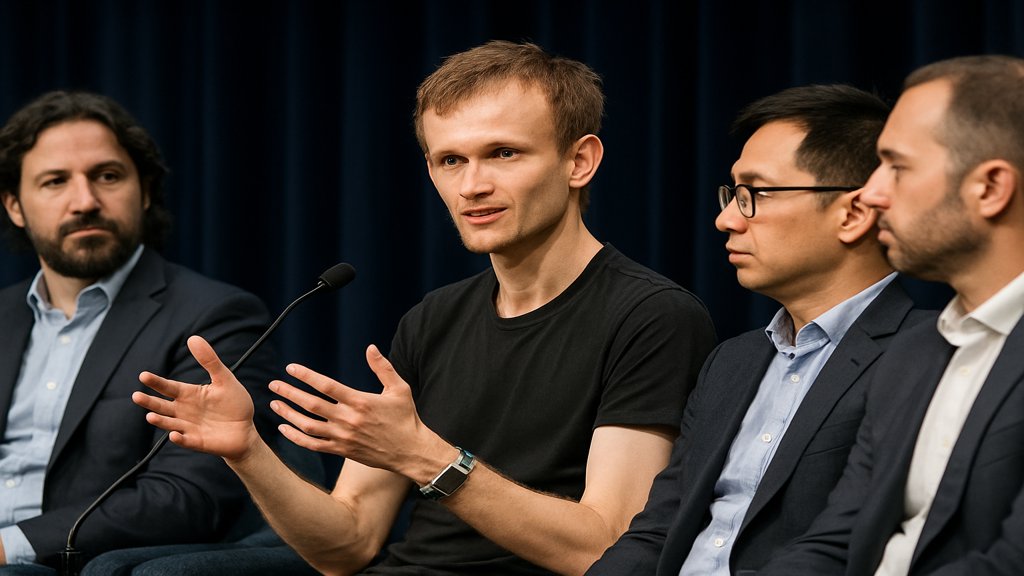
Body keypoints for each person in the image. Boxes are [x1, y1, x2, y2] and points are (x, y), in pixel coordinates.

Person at [132, 40, 717, 576]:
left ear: (579, 161)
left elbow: (608, 548)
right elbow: (349, 544)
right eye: (450, 161)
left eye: (504, 153)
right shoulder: (433, 318)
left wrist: (428, 457)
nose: (472, 186)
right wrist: (247, 451)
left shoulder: (653, 317)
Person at [587, 84, 932, 576]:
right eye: (732, 193)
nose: (725, 219)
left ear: (853, 213)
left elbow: (856, 546)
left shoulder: (924, 355)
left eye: (757, 194)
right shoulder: (733, 360)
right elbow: (658, 529)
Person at [758, 54, 1024, 576]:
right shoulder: (912, 355)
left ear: (990, 188)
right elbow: (837, 542)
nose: (872, 194)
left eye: (897, 167)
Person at [0, 91, 278, 572]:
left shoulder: (214, 317)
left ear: (145, 192)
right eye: (55, 182)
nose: (84, 201)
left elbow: (188, 497)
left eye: (107, 176)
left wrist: (11, 546)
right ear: (15, 207)